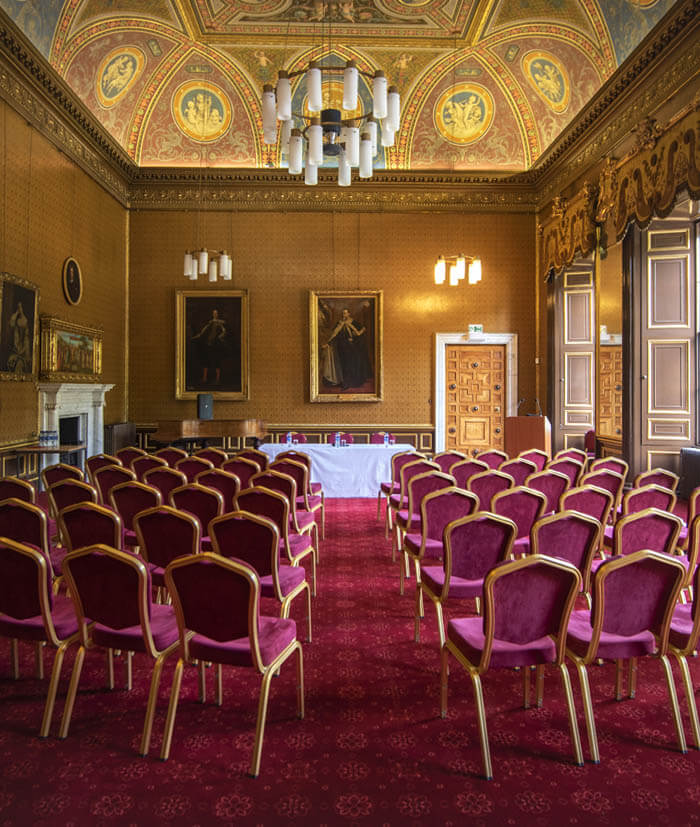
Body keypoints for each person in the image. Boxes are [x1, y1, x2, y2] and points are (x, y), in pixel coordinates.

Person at [323, 307, 371, 390]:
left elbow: (362, 329)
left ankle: (350, 382)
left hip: (350, 347)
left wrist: (356, 336)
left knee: (350, 364)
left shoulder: (353, 322)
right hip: (341, 347)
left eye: (345, 313)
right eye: (343, 313)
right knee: (342, 365)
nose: (343, 315)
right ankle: (344, 382)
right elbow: (334, 334)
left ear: (349, 314)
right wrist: (328, 343)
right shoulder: (339, 323)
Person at [191, 308, 227, 384]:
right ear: (212, 314)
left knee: (217, 362)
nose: (215, 314)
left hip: (216, 345)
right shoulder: (210, 322)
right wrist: (196, 337)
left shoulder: (220, 322)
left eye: (216, 313)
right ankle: (204, 378)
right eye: (214, 313)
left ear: (218, 314)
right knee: (206, 361)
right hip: (209, 344)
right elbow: (203, 332)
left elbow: (224, 330)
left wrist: (221, 336)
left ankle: (217, 379)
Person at [7, 301, 31, 373]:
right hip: (15, 345)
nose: (19, 309)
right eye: (18, 307)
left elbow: (26, 338)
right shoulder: (15, 318)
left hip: (23, 347)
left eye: (20, 307)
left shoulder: (24, 320)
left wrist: (24, 350)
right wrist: (16, 313)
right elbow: (11, 324)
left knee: (20, 364)